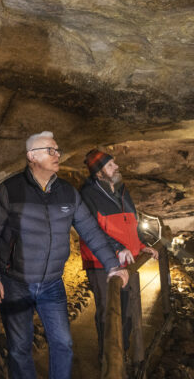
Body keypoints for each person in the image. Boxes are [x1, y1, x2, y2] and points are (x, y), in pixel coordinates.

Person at [0, 131, 129, 379]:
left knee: (63, 344)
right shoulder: (9, 190)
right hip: (15, 282)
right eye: (51, 150)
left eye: (57, 150)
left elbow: (90, 230)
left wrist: (112, 265)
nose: (57, 155)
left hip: (52, 285)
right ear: (32, 157)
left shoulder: (68, 193)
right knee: (19, 348)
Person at [79, 149, 158, 362]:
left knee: (129, 309)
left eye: (114, 163)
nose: (117, 166)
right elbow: (91, 229)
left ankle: (121, 352)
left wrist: (141, 245)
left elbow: (131, 223)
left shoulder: (122, 190)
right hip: (101, 263)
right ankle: (108, 358)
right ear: (99, 173)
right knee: (109, 310)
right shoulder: (87, 194)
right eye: (111, 164)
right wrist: (116, 249)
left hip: (128, 260)